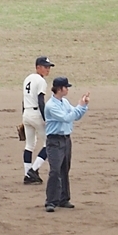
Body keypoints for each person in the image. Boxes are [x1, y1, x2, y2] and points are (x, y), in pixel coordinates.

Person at [43, 77, 90, 212]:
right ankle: (51, 201)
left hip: (65, 139)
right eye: (66, 87)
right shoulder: (51, 105)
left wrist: (83, 106)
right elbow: (66, 117)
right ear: (59, 89)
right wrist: (79, 106)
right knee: (55, 171)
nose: (68, 89)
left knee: (65, 169)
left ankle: (63, 198)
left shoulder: (64, 102)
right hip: (54, 140)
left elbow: (76, 115)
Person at [21, 56, 54, 185]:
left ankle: (27, 175)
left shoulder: (27, 78)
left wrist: (23, 117)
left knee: (29, 145)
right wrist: (46, 118)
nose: (47, 69)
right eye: (45, 67)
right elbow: (41, 101)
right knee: (49, 143)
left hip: (27, 113)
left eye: (49, 67)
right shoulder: (41, 81)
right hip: (36, 114)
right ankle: (33, 170)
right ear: (38, 67)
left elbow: (24, 100)